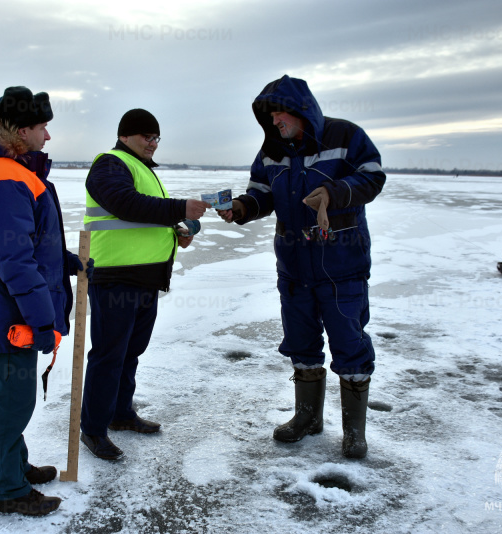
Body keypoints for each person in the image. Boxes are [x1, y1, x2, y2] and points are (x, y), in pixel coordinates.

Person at [218, 75, 386, 459]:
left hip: (341, 266)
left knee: (350, 344)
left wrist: (334, 192)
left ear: (300, 111)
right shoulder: (270, 151)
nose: (274, 121)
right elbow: (262, 194)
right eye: (270, 115)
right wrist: (242, 208)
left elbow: (373, 177)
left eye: (280, 114)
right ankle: (307, 417)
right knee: (302, 343)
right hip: (294, 268)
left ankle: (354, 432)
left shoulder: (345, 137)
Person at [0, 86, 91, 515]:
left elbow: (31, 246)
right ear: (21, 130)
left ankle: (16, 466)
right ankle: (10, 492)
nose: (48, 137)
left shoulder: (11, 170)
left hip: (9, 311)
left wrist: (69, 262)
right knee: (13, 402)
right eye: (42, 127)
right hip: (12, 315)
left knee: (12, 397)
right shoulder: (5, 176)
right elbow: (13, 260)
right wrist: (43, 318)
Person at [80, 109, 210, 461]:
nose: (152, 144)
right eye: (146, 137)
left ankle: (121, 413)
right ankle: (92, 428)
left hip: (145, 279)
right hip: (116, 278)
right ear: (125, 136)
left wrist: (175, 232)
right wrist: (180, 207)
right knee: (108, 356)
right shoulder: (110, 164)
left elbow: (144, 217)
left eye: (156, 138)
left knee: (130, 353)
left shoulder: (144, 170)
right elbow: (123, 204)